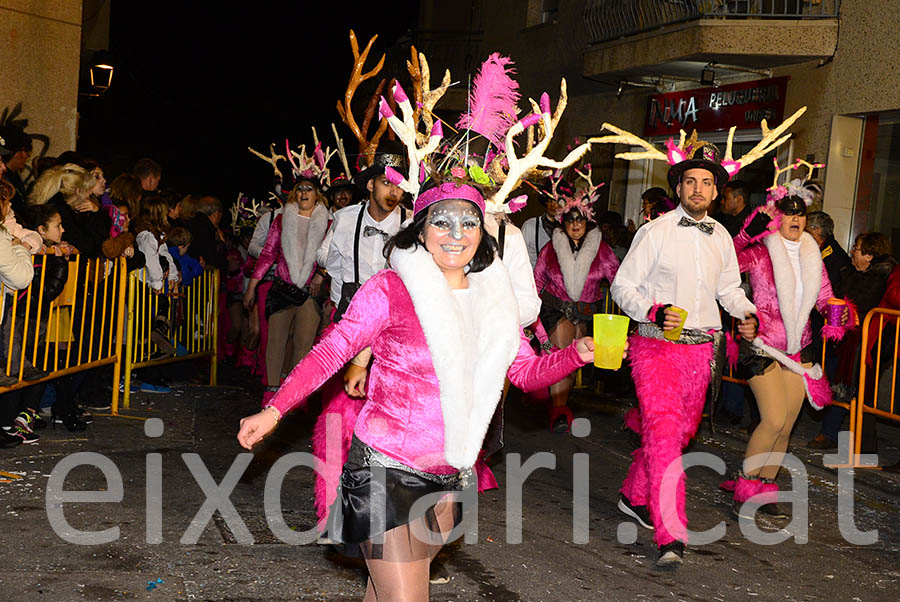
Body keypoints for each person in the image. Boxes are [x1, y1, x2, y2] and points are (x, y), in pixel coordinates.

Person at [238, 181, 604, 601]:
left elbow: (523, 372)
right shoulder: (392, 289)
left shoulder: (495, 299)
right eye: (442, 222)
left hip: (449, 475)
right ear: (421, 230)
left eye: (469, 223)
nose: (456, 234)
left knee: (383, 592)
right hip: (384, 471)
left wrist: (575, 354)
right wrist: (274, 410)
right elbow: (331, 352)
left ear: (482, 233)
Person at [600, 124, 775, 566]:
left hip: (702, 354)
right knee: (663, 439)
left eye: (707, 183)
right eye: (690, 181)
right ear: (678, 186)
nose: (698, 189)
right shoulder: (656, 231)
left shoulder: (721, 236)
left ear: (717, 190)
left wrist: (746, 313)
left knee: (674, 437)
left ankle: (632, 496)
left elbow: (729, 290)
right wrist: (654, 311)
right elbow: (623, 286)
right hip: (655, 348)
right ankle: (671, 536)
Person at [721, 187, 853, 519]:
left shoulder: (812, 255)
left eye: (800, 214)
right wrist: (745, 234)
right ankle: (746, 487)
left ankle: (765, 488)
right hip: (761, 345)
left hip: (797, 349)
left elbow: (825, 298)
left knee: (786, 426)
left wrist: (839, 315)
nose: (795, 219)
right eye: (788, 213)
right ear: (777, 219)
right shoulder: (761, 251)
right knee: (773, 418)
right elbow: (725, 261)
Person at [533, 189, 619, 432]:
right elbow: (537, 282)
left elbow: (620, 282)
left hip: (585, 313)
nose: (575, 225)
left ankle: (555, 402)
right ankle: (559, 413)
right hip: (555, 310)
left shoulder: (602, 251)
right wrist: (528, 314)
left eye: (579, 219)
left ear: (588, 222)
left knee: (572, 364)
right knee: (560, 358)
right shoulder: (550, 249)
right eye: (569, 220)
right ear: (563, 223)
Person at [807, 232, 896, 451]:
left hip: (866, 345)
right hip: (841, 341)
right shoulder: (849, 273)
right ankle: (846, 438)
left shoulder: (880, 280)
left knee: (850, 388)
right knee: (836, 384)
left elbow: (866, 309)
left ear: (869, 255)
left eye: (857, 247)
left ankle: (837, 436)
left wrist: (849, 315)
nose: (852, 251)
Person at [243, 178, 329, 396]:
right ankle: (270, 395)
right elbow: (268, 254)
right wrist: (252, 286)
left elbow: (334, 255)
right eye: (299, 189)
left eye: (309, 189)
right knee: (275, 343)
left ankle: (294, 397)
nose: (304, 193)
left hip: (310, 291)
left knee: (302, 346)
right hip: (282, 288)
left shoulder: (329, 222)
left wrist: (321, 275)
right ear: (294, 194)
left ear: (317, 194)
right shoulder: (282, 219)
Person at [521, 186, 558, 268]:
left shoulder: (572, 229)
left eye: (557, 200)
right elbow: (520, 258)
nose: (553, 205)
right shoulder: (530, 225)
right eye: (549, 200)